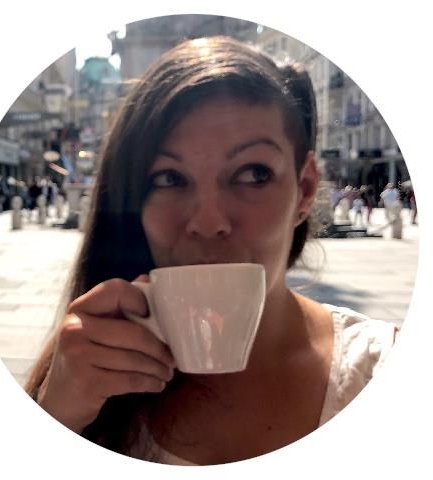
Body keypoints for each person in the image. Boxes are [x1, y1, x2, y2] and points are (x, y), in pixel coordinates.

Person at [25, 36, 398, 466]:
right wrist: (57, 414)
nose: (207, 221)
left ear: (305, 188)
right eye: (168, 178)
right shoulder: (86, 369)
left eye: (253, 173)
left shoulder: (376, 369)